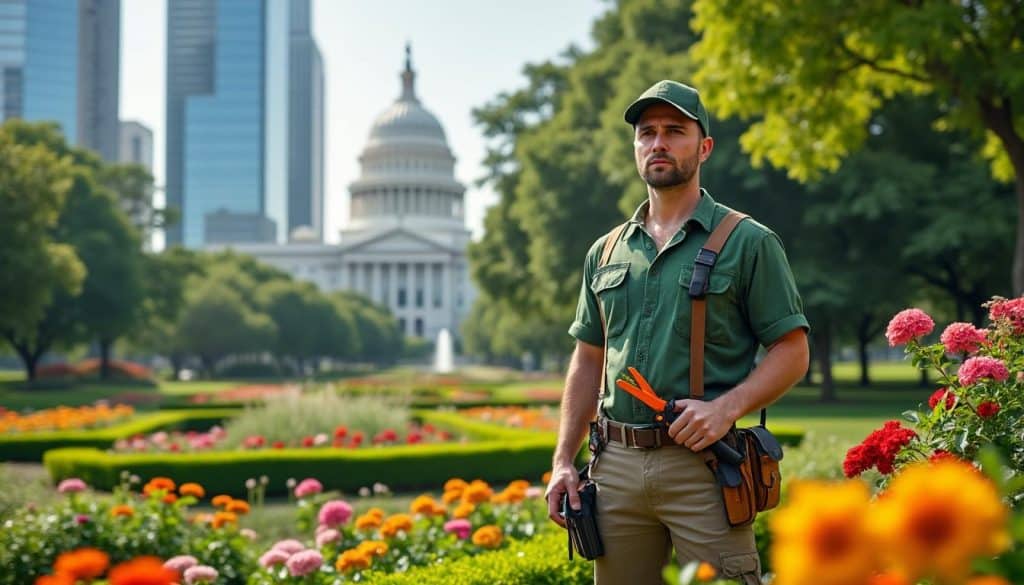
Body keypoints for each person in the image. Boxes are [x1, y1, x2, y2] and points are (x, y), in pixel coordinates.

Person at [544, 80, 810, 585]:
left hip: (705, 467)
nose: (658, 143)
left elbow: (792, 352)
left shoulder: (749, 242)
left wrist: (724, 409)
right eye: (647, 133)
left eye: (674, 131)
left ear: (704, 147)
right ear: (635, 147)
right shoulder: (605, 251)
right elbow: (588, 360)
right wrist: (563, 462)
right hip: (615, 467)